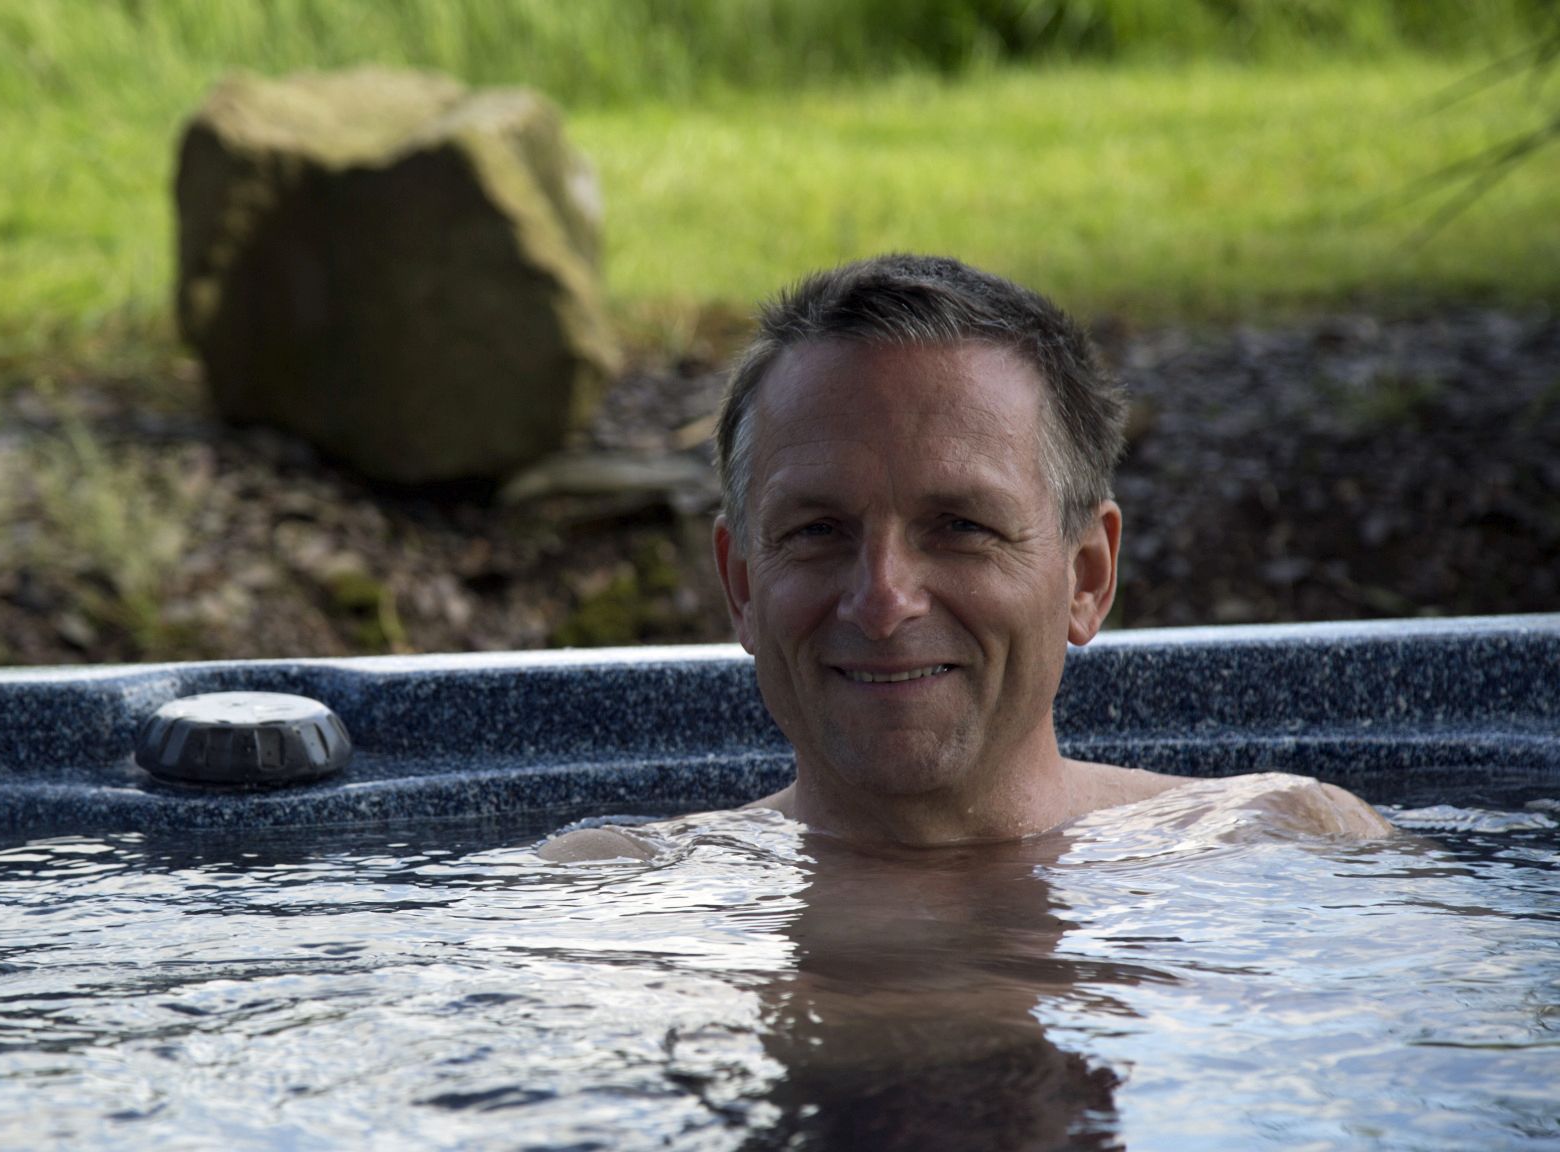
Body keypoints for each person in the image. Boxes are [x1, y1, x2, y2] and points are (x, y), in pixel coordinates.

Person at [544, 254, 1389, 862]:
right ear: (740, 586)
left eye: (960, 527)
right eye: (817, 532)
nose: (882, 602)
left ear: (1087, 576)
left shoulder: (1290, 843)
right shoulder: (611, 897)